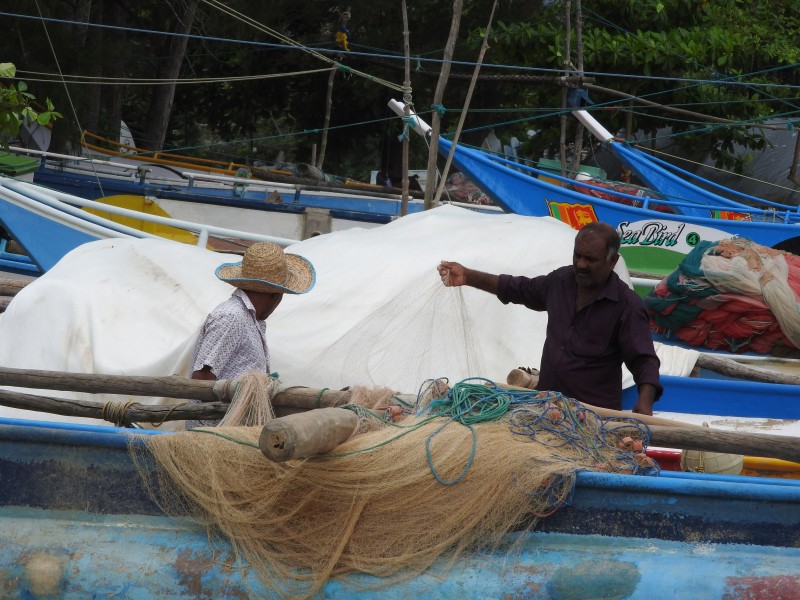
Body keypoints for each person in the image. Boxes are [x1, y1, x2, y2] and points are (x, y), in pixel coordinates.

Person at [437, 221, 661, 415]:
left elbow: (643, 359)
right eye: (577, 256)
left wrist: (644, 400)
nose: (581, 264)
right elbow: (518, 288)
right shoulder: (561, 281)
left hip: (593, 416)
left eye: (591, 259)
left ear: (612, 262)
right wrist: (466, 276)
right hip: (547, 408)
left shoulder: (627, 306)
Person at [186, 242, 316, 427]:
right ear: (276, 295)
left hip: (229, 430)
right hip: (217, 433)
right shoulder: (232, 317)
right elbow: (202, 380)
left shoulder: (247, 319)